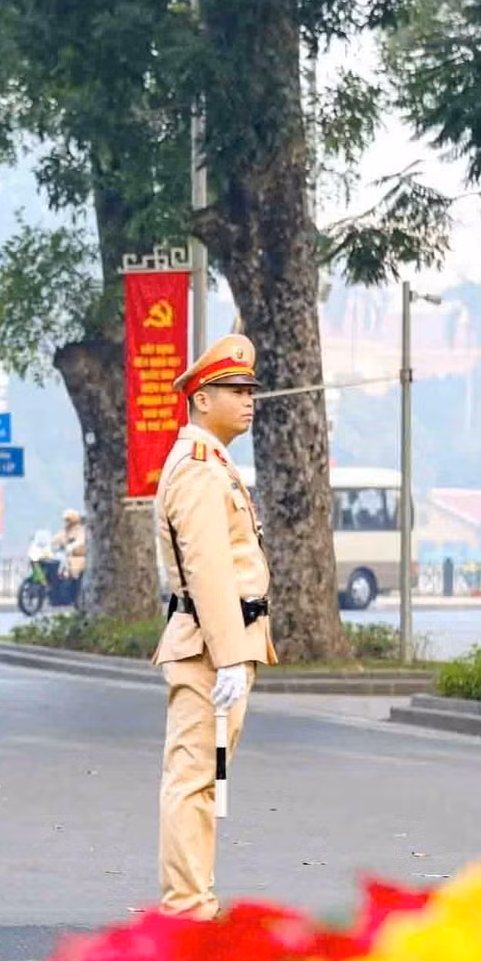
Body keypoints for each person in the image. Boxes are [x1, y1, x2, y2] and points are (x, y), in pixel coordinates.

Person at [150, 332, 276, 921]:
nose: (248, 399)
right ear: (202, 398)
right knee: (194, 779)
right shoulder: (199, 469)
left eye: (250, 388)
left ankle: (196, 899)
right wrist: (228, 655)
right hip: (208, 648)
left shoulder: (212, 463)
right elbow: (207, 569)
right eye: (235, 389)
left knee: (207, 780)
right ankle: (186, 910)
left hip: (221, 645)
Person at [54, 508, 88, 582]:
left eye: (68, 520)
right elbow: (58, 539)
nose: (66, 522)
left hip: (77, 558)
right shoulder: (66, 530)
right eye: (66, 520)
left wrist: (71, 547)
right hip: (67, 555)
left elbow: (80, 541)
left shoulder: (81, 531)